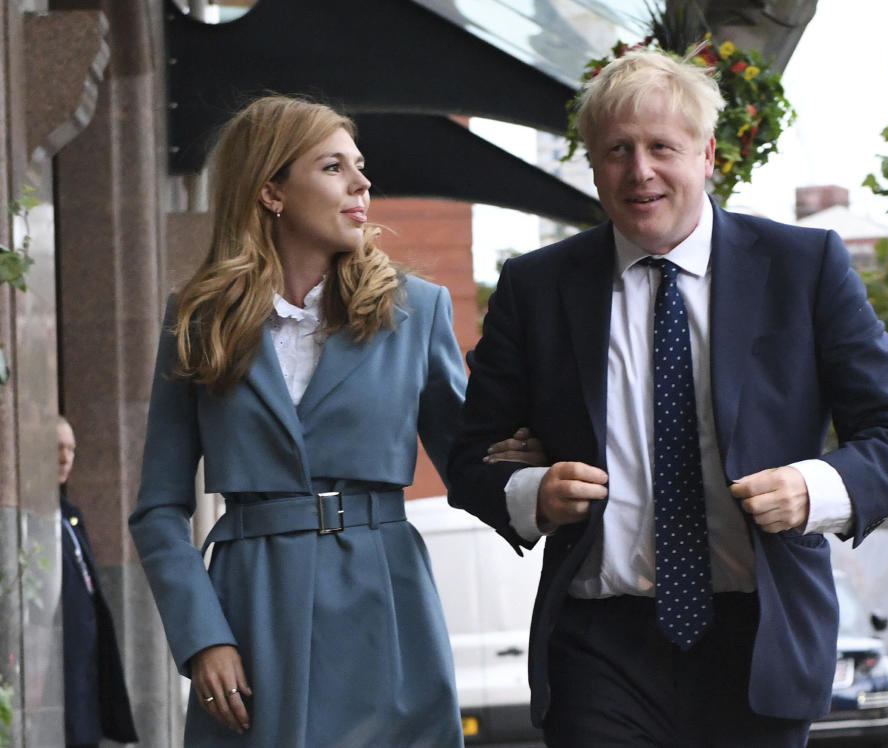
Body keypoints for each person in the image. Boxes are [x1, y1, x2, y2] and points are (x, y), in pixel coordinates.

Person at [448, 48, 888, 747]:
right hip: (598, 645)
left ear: (706, 155)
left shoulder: (805, 268)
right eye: (616, 150)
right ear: (592, 165)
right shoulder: (536, 287)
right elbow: (471, 460)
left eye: (660, 147)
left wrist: (812, 488)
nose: (639, 171)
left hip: (758, 639)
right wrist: (533, 492)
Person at [128, 95, 540, 747]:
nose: (362, 183)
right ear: (271, 192)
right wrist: (202, 637)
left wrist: (542, 469)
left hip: (386, 598)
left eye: (360, 166)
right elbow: (158, 508)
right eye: (332, 167)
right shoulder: (198, 317)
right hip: (250, 605)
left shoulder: (417, 310)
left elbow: (474, 460)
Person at [58, 415, 138, 748]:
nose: (65, 458)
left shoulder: (71, 516)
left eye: (71, 450)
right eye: (56, 448)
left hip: (85, 673)